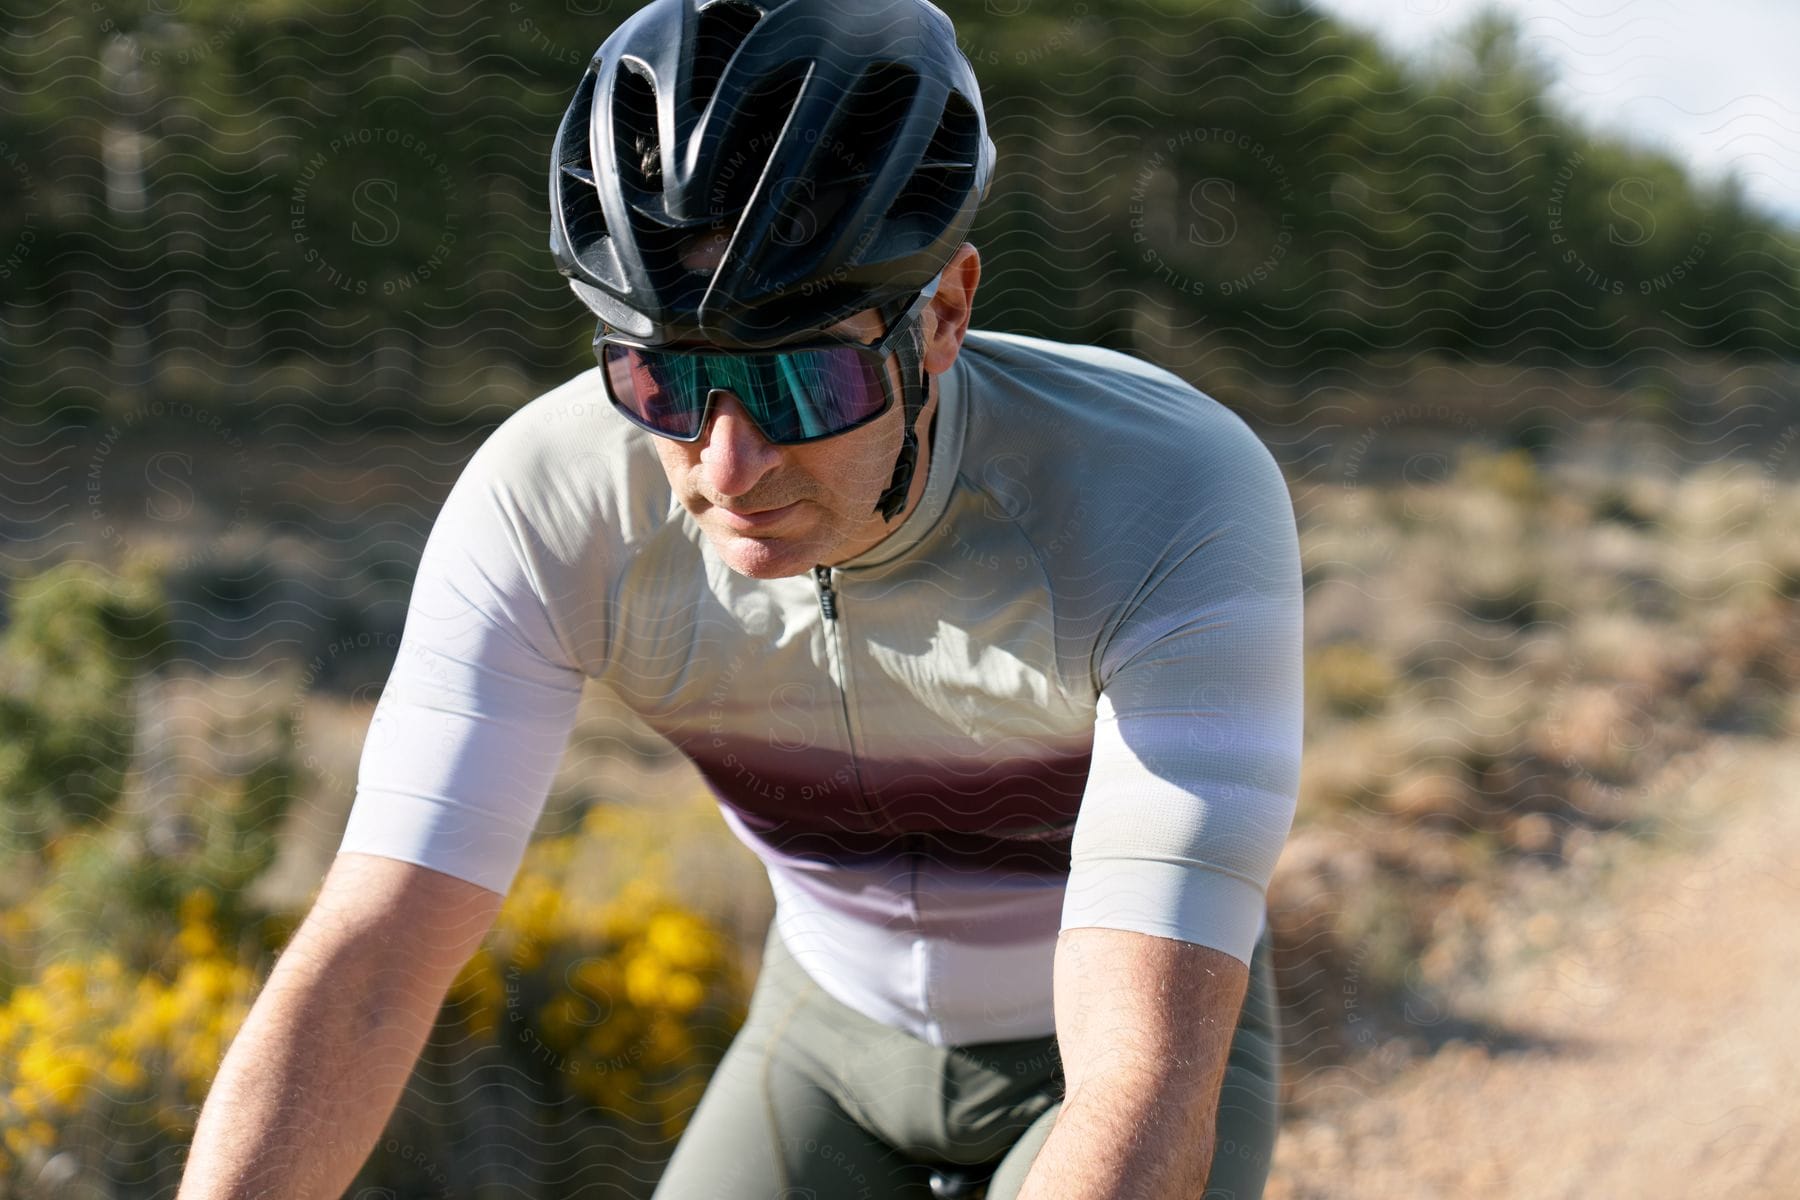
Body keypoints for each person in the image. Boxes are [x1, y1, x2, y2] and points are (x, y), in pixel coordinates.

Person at [176, 0, 1303, 1197]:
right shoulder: (547, 499)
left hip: (1113, 1042)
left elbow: (1136, 1093)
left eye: (806, 378)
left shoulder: (1164, 491)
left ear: (947, 312)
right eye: (663, 378)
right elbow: (371, 965)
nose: (727, 466)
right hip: (823, 1037)